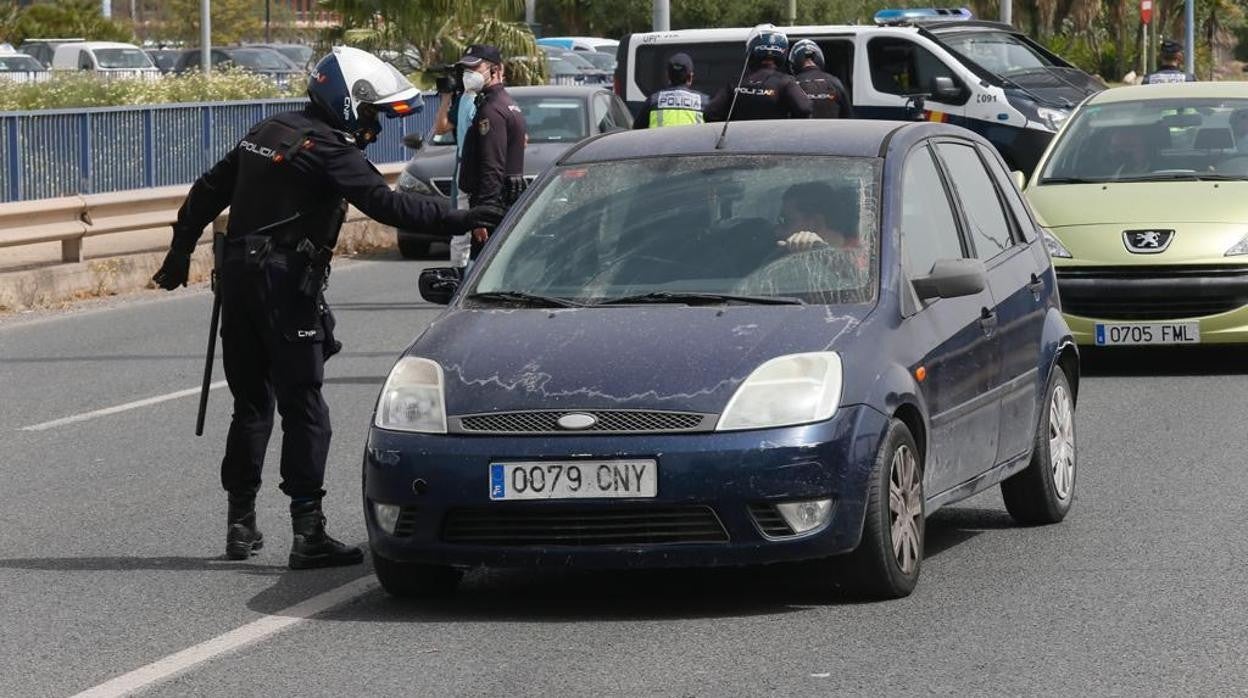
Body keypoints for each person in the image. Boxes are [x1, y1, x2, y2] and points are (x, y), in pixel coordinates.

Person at [150, 46, 503, 570]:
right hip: (285, 286)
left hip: (239, 284)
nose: (374, 127)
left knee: (251, 404)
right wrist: (464, 215)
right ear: (347, 103)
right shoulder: (330, 150)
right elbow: (388, 205)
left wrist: (179, 255)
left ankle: (240, 525)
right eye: (371, 114)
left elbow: (206, 191)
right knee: (305, 406)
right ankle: (308, 533)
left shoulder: (267, 132)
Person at [457, 44, 527, 259]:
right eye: (466, 70)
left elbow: (492, 165)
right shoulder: (505, 104)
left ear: (495, 70)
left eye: (475, 69)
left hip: (493, 208)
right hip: (503, 204)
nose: (469, 76)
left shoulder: (492, 110)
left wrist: (482, 215)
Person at [706, 25, 813, 122]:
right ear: (783, 51)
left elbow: (710, 113)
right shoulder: (785, 82)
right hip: (775, 141)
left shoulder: (735, 83)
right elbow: (805, 108)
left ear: (751, 49)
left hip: (737, 141)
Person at [431, 64, 480, 269]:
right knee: (461, 229)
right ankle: (460, 276)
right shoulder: (463, 100)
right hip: (464, 167)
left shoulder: (490, 100)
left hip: (482, 166)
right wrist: (446, 98)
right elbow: (442, 127)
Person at [632, 53, 709, 128]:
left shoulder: (653, 101)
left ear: (668, 76)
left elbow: (637, 131)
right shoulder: (704, 102)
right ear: (690, 78)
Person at [788, 39, 853, 119]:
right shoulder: (835, 82)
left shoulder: (791, 84)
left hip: (801, 131)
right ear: (819, 58)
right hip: (830, 130)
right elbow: (848, 115)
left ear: (794, 61)